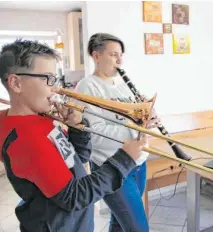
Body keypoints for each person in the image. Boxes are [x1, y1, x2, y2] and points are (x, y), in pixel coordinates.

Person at [0, 39, 147, 232]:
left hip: (74, 222)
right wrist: (124, 159)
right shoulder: (27, 138)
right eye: (47, 79)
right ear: (16, 83)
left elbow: (76, 159)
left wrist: (77, 128)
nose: (55, 88)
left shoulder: (40, 120)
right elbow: (74, 197)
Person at [75, 33, 159, 232]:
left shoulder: (124, 86)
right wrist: (136, 128)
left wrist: (148, 117)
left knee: (119, 223)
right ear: (96, 56)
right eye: (114, 55)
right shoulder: (87, 87)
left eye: (121, 55)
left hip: (138, 162)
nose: (120, 60)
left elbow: (134, 119)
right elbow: (94, 135)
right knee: (138, 228)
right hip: (111, 166)